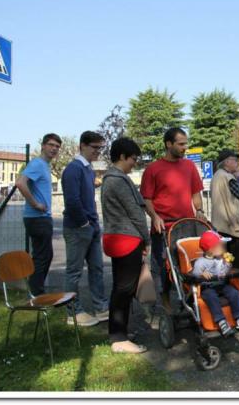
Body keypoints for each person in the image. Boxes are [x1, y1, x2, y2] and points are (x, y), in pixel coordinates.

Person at [140, 127, 205, 309]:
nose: (185, 147)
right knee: (163, 266)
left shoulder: (189, 166)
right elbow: (146, 198)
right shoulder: (153, 169)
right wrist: (154, 216)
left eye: (186, 143)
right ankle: (166, 301)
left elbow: (196, 192)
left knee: (190, 262)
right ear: (169, 144)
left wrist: (199, 210)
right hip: (164, 227)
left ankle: (191, 298)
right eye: (181, 144)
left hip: (187, 225)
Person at [101, 137, 150, 354]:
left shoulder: (109, 179)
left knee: (121, 287)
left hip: (117, 237)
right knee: (124, 288)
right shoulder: (118, 181)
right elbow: (135, 213)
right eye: (133, 159)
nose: (134, 163)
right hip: (127, 239)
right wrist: (146, 238)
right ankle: (119, 338)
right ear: (122, 157)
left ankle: (119, 333)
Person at [61, 131, 110, 327]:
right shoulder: (73, 169)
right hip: (77, 228)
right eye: (95, 147)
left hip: (91, 226)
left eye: (100, 148)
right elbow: (72, 201)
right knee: (74, 271)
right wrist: (84, 223)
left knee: (97, 268)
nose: (98, 151)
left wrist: (92, 224)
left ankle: (100, 306)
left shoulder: (88, 169)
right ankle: (73, 312)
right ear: (82, 145)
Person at [16, 133, 61, 296]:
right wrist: (35, 203)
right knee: (43, 256)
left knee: (45, 255)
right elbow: (20, 183)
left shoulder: (45, 166)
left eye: (57, 146)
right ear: (43, 146)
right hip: (37, 218)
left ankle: (36, 291)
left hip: (41, 218)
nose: (54, 149)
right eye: (51, 145)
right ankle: (36, 294)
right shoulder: (37, 164)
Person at [192, 230, 239, 336]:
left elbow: (224, 272)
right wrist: (202, 274)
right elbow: (194, 274)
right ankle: (221, 321)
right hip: (207, 287)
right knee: (211, 296)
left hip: (221, 285)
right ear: (211, 250)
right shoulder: (200, 262)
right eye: (221, 246)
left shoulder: (220, 259)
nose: (224, 248)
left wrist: (227, 264)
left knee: (234, 292)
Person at [210, 149, 239, 291]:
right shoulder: (227, 177)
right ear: (227, 162)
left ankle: (229, 290)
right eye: (235, 160)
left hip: (221, 226)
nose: (237, 163)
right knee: (238, 264)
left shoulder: (216, 176)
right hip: (234, 227)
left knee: (226, 261)